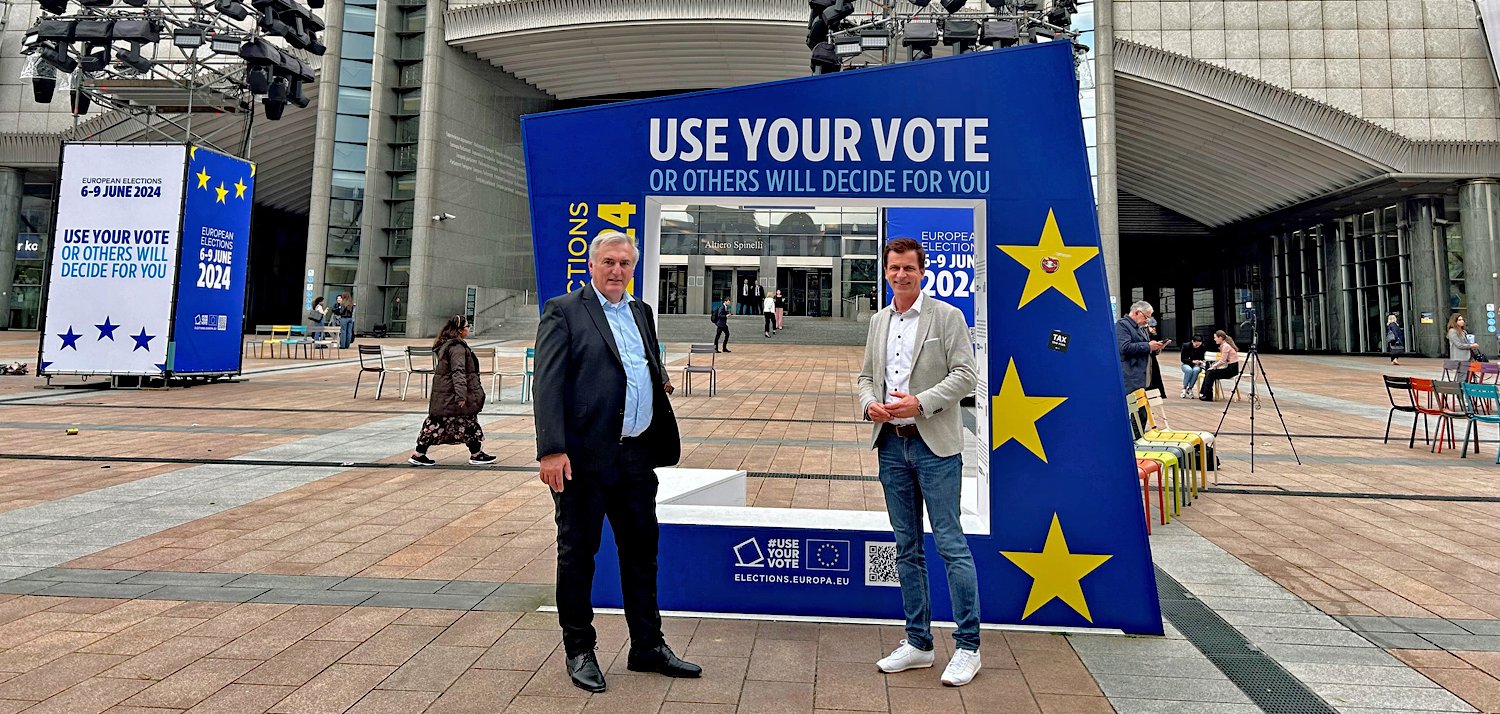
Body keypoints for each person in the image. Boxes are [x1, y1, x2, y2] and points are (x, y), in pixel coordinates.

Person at [533, 230, 698, 694]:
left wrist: (657, 381)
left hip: (636, 456)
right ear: (591, 265)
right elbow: (547, 385)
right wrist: (551, 449)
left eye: (625, 263)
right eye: (608, 262)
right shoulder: (564, 311)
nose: (617, 271)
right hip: (582, 460)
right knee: (578, 555)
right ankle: (579, 649)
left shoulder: (641, 311)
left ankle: (647, 645)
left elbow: (640, 361)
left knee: (642, 555)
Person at [857, 237, 982, 687]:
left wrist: (921, 403)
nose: (900, 275)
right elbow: (866, 375)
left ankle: (968, 646)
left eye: (909, 268)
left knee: (950, 544)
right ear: (886, 271)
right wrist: (870, 402)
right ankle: (918, 643)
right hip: (890, 445)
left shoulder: (947, 317)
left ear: (922, 271)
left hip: (935, 447)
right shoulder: (878, 321)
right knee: (906, 548)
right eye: (894, 268)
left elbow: (966, 374)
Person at [409, 315, 496, 466]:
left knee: (463, 421)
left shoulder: (449, 344)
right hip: (452, 393)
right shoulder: (457, 348)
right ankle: (419, 453)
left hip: (447, 393)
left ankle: (475, 453)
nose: (469, 329)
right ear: (460, 330)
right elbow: (458, 371)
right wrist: (461, 394)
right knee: (451, 421)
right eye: (467, 326)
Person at [1116, 301, 1166, 394]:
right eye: (1146, 317)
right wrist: (1148, 346)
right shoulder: (1122, 325)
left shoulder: (1141, 327)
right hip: (1131, 376)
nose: (1147, 320)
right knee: (1134, 406)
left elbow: (1145, 348)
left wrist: (1156, 348)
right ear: (1137, 312)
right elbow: (1124, 347)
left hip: (1144, 375)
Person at [1198, 330, 1241, 401]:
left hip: (1232, 370)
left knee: (1210, 373)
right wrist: (1214, 367)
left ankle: (1207, 395)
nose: (1214, 339)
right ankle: (1205, 393)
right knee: (1209, 372)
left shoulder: (1226, 346)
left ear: (1220, 337)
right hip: (1230, 368)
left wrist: (1214, 366)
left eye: (1215, 337)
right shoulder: (1224, 345)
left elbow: (1222, 360)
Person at [1179, 334, 1208, 399]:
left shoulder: (1202, 347)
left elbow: (1203, 358)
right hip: (1187, 364)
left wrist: (1200, 361)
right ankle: (1184, 388)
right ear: (1193, 341)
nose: (1197, 346)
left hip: (1197, 365)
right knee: (1189, 370)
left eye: (1199, 344)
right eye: (1196, 344)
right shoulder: (1186, 346)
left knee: (1196, 370)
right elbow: (1183, 359)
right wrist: (1192, 361)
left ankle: (1190, 388)